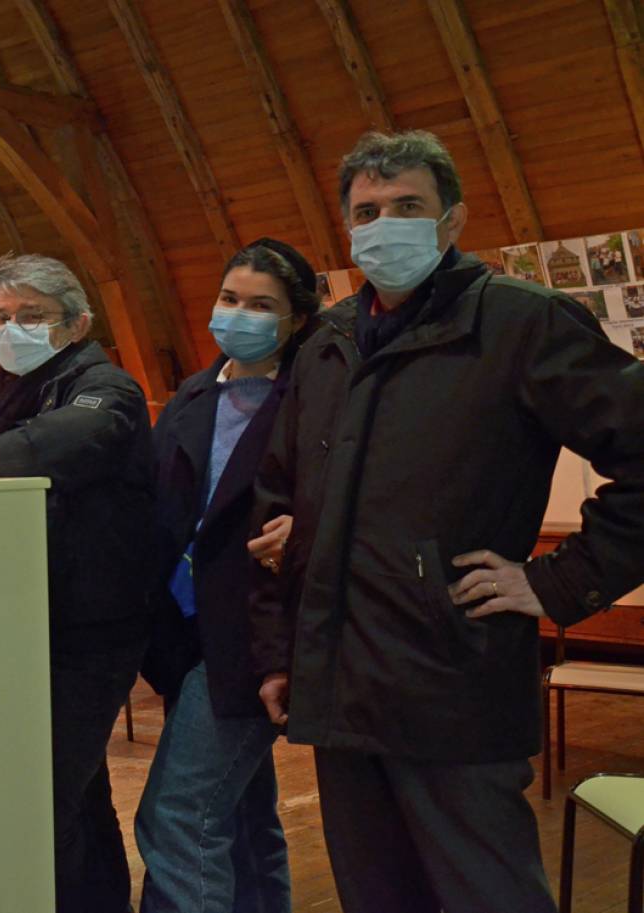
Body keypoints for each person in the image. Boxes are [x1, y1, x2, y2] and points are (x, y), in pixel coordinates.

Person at [249, 130, 644, 913]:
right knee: (376, 895)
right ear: (347, 228)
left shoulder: (521, 322)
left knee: (486, 894)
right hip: (337, 684)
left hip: (451, 679)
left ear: (452, 220)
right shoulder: (326, 340)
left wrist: (557, 580)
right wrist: (279, 650)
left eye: (408, 206)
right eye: (368, 210)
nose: (385, 223)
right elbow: (278, 503)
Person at [0, 253, 157, 912]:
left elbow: (38, 449)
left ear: (77, 322)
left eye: (30, 315)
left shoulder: (105, 387)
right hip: (16, 623)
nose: (12, 328)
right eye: (1, 316)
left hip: (89, 632)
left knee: (42, 798)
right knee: (81, 794)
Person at [133, 239, 318, 913]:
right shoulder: (193, 392)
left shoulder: (318, 398)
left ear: (296, 319)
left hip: (258, 630)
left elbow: (360, 492)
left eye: (262, 305)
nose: (239, 315)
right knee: (241, 817)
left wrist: (309, 527)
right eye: (230, 299)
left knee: (178, 816)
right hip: (188, 632)